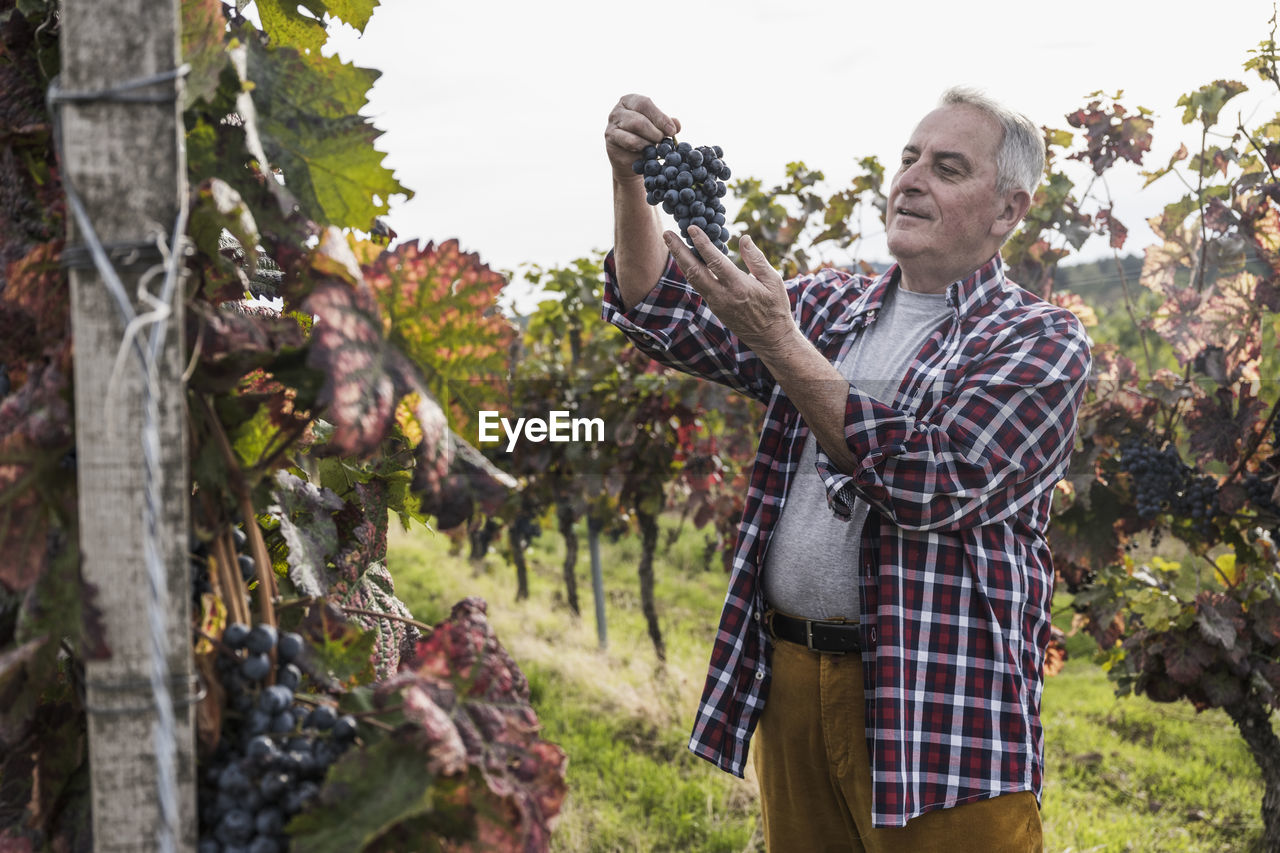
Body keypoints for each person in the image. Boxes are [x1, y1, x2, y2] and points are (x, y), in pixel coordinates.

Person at [600, 88, 1092, 851]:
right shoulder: (831, 303)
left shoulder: (1040, 341)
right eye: (909, 158)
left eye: (948, 167)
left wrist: (780, 342)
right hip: (792, 678)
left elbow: (931, 483)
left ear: (1007, 211)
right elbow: (664, 313)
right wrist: (629, 179)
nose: (912, 179)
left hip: (939, 710)